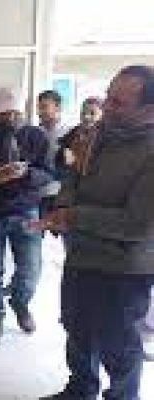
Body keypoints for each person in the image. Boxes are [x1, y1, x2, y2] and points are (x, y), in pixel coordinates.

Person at [35, 65, 154, 400]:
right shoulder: (95, 134)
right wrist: (62, 205)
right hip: (81, 256)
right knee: (77, 328)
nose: (106, 108)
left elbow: (139, 224)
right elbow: (73, 175)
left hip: (124, 267)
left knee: (119, 344)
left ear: (148, 111)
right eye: (107, 97)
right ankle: (80, 390)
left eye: (118, 103)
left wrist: (74, 216)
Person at [0, 87, 54, 348]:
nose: (11, 119)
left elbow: (49, 173)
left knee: (31, 269)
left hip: (26, 210)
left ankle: (20, 302)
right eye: (5, 114)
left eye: (16, 114)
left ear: (24, 111)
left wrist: (26, 173)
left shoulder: (37, 136)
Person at [37, 90, 69, 218]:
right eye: (39, 108)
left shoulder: (70, 132)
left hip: (61, 194)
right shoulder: (35, 132)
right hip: (39, 194)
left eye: (44, 107)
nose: (40, 112)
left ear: (58, 108)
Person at [56, 97, 104, 177]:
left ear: (102, 115)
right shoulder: (74, 131)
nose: (86, 117)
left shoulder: (105, 136)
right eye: (83, 113)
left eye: (92, 113)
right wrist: (64, 152)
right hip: (71, 176)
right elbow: (61, 147)